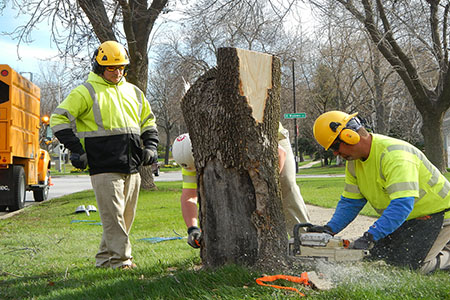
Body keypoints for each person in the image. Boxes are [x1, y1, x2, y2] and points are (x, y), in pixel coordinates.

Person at [50, 41, 159, 269]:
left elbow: (148, 120)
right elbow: (58, 119)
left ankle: (104, 261)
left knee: (124, 218)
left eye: (120, 67)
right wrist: (78, 150)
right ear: (99, 67)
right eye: (111, 68)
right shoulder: (85, 91)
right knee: (114, 219)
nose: (117, 72)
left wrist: (150, 146)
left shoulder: (134, 92)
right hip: (103, 166)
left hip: (132, 165)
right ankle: (122, 263)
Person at [310, 110, 450, 273]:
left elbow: (402, 204)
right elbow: (351, 202)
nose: (335, 153)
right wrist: (329, 229)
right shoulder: (354, 164)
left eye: (335, 146)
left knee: (413, 267)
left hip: (440, 215)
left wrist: (371, 236)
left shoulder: (395, 156)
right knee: (376, 258)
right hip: (408, 219)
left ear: (350, 136)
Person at [172, 123, 310, 248]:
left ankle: (305, 240)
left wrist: (266, 189)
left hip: (272, 138)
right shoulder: (190, 157)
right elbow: (189, 196)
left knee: (285, 183)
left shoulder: (234, 135)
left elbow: (280, 153)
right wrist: (192, 229)